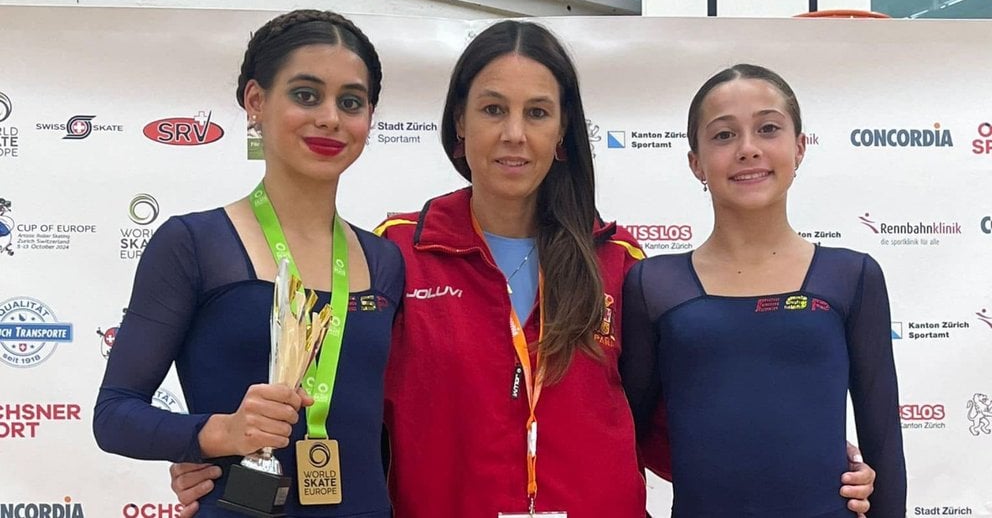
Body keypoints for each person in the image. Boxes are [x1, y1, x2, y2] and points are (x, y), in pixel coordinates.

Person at [169, 26, 880, 518]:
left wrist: (807, 466)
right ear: (459, 128)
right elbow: (335, 402)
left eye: (537, 112)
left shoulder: (620, 264)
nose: (515, 133)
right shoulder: (394, 254)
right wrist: (224, 461)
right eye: (493, 110)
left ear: (563, 133)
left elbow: (663, 428)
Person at [93, 9, 403, 518]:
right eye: (306, 94)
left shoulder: (385, 260)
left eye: (351, 101)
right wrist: (216, 434)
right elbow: (115, 415)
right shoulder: (193, 244)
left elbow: (392, 423)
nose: (330, 117)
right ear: (256, 101)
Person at [621, 64, 906, 517]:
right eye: (723, 135)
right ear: (695, 162)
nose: (748, 149)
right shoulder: (653, 285)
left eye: (767, 128)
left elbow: (885, 446)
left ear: (799, 148)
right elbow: (623, 442)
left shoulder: (851, 277)